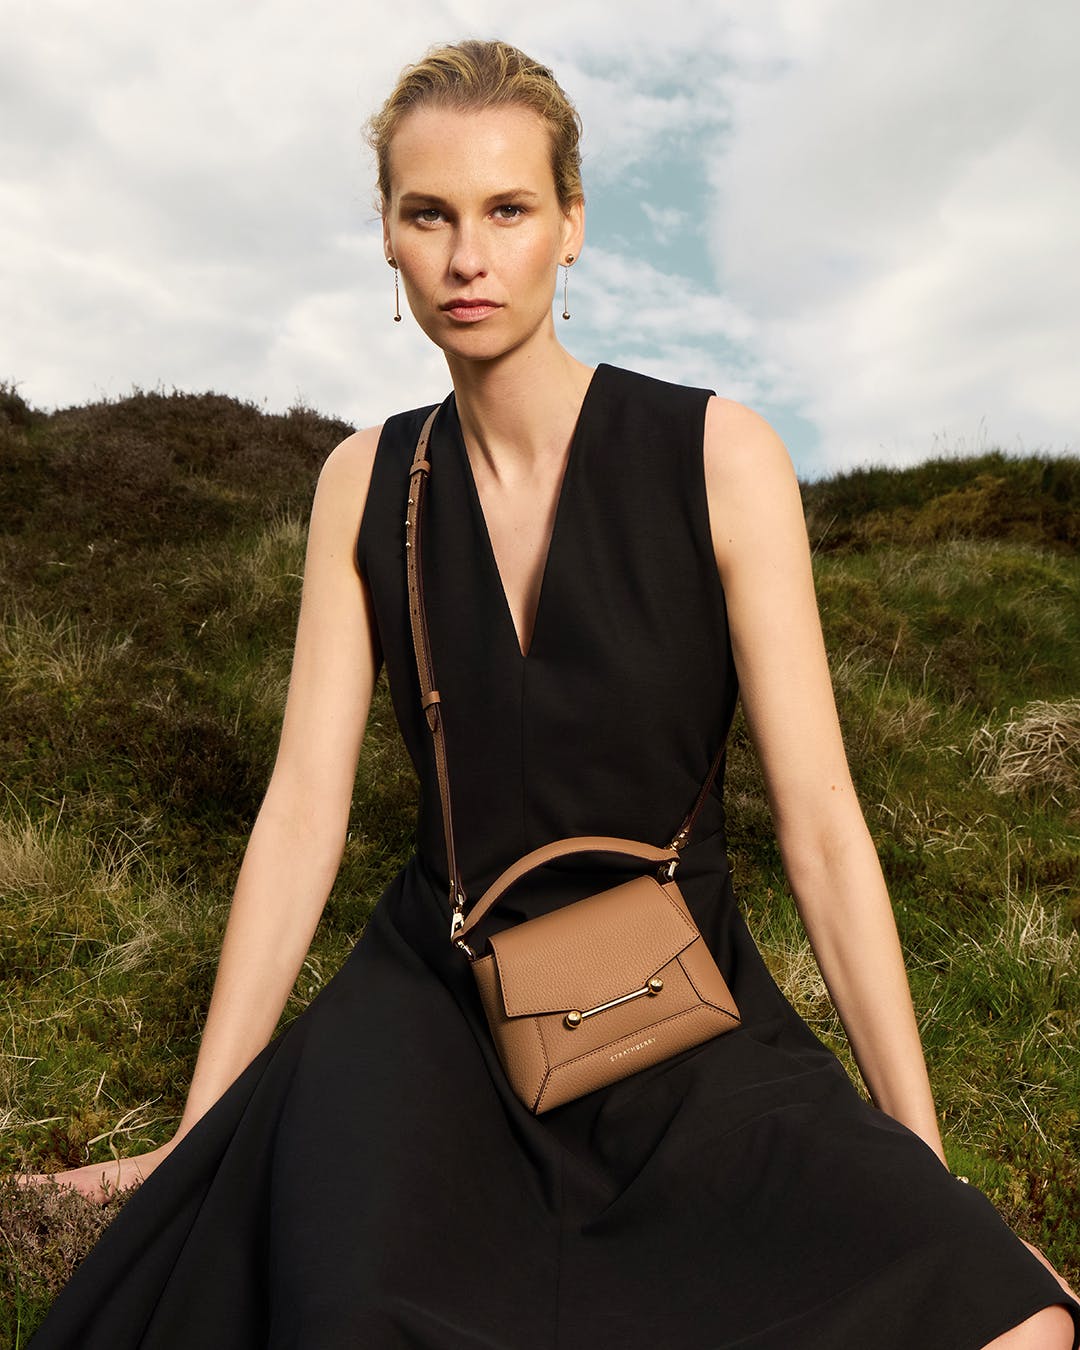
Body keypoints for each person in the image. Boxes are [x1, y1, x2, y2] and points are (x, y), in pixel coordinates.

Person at [21, 38, 1080, 1350]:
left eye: (508, 209)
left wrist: (925, 1162)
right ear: (390, 239)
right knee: (350, 1315)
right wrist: (194, 1136)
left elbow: (820, 819)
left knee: (1015, 1329)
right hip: (435, 1001)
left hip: (678, 1006)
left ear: (571, 225)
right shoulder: (367, 482)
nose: (468, 259)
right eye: (430, 215)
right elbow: (301, 810)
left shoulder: (721, 458)